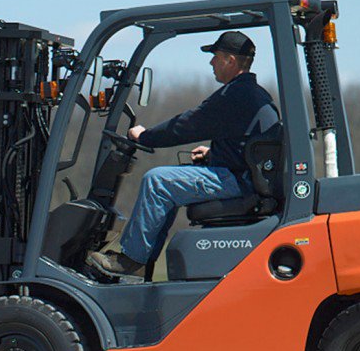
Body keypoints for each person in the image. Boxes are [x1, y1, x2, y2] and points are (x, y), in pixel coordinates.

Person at [87, 30, 275, 278]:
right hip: (243, 175)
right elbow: (246, 144)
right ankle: (143, 261)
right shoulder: (255, 93)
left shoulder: (234, 95)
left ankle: (131, 259)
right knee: (169, 184)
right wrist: (212, 154)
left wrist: (145, 136)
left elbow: (187, 125)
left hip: (238, 181)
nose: (211, 62)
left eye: (215, 57)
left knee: (158, 182)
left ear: (230, 60)